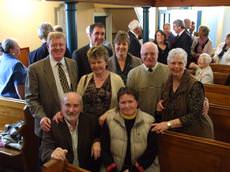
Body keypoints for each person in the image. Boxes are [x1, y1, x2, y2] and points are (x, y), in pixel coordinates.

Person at [152, 48, 214, 138]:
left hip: (195, 134)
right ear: (168, 65)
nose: (176, 66)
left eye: (180, 63)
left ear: (185, 64)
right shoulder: (167, 82)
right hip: (175, 132)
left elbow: (194, 116)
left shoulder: (195, 85)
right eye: (173, 63)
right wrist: (159, 105)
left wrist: (168, 124)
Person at [25, 32, 78, 137]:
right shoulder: (35, 69)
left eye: (61, 45)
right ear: (47, 47)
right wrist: (42, 117)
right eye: (54, 45)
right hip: (49, 124)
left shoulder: (72, 64)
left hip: (72, 122)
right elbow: (31, 98)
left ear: (65, 46)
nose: (58, 48)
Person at [40, 92, 101, 171]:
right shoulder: (52, 126)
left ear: (81, 107)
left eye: (76, 106)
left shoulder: (91, 121)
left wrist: (97, 141)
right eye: (67, 105)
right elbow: (44, 151)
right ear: (61, 107)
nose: (71, 110)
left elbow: (99, 134)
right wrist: (52, 153)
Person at [101, 87, 158, 172]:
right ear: (118, 104)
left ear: (137, 102)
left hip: (141, 168)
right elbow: (104, 149)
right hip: (114, 168)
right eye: (123, 102)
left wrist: (133, 170)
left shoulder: (150, 121)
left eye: (130, 102)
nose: (127, 106)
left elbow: (151, 151)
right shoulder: (109, 120)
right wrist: (112, 169)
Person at [77, 46, 124, 120]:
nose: (96, 65)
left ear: (106, 62)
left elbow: (123, 103)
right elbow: (77, 103)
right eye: (93, 63)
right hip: (86, 125)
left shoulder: (117, 80)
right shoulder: (84, 80)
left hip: (109, 123)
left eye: (99, 62)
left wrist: (108, 114)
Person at [127, 42, 169, 119]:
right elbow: (130, 99)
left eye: (152, 54)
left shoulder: (168, 71)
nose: (149, 57)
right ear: (141, 55)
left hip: (163, 119)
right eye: (145, 54)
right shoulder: (132, 74)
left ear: (157, 54)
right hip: (140, 119)